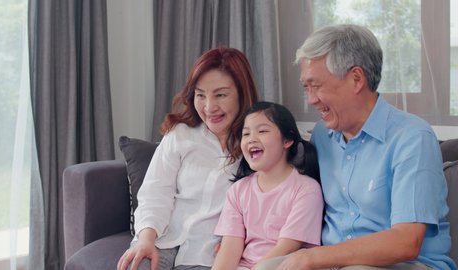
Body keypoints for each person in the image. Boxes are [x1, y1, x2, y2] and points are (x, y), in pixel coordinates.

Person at [256, 24, 457, 270]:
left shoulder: (412, 138)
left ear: (356, 79)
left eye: (316, 85)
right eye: (305, 88)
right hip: (334, 263)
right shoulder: (323, 135)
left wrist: (311, 258)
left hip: (408, 264)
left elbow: (406, 241)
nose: (311, 100)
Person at [117, 47, 259, 270]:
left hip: (208, 253)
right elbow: (156, 191)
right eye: (200, 95)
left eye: (220, 95)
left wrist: (238, 241)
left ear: (243, 93)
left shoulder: (257, 144)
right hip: (160, 238)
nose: (209, 107)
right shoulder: (180, 134)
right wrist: (145, 238)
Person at [212, 101, 324, 270]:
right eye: (246, 134)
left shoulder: (307, 190)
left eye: (262, 131)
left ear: (287, 140)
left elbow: (286, 248)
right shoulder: (238, 190)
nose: (251, 139)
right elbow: (229, 248)